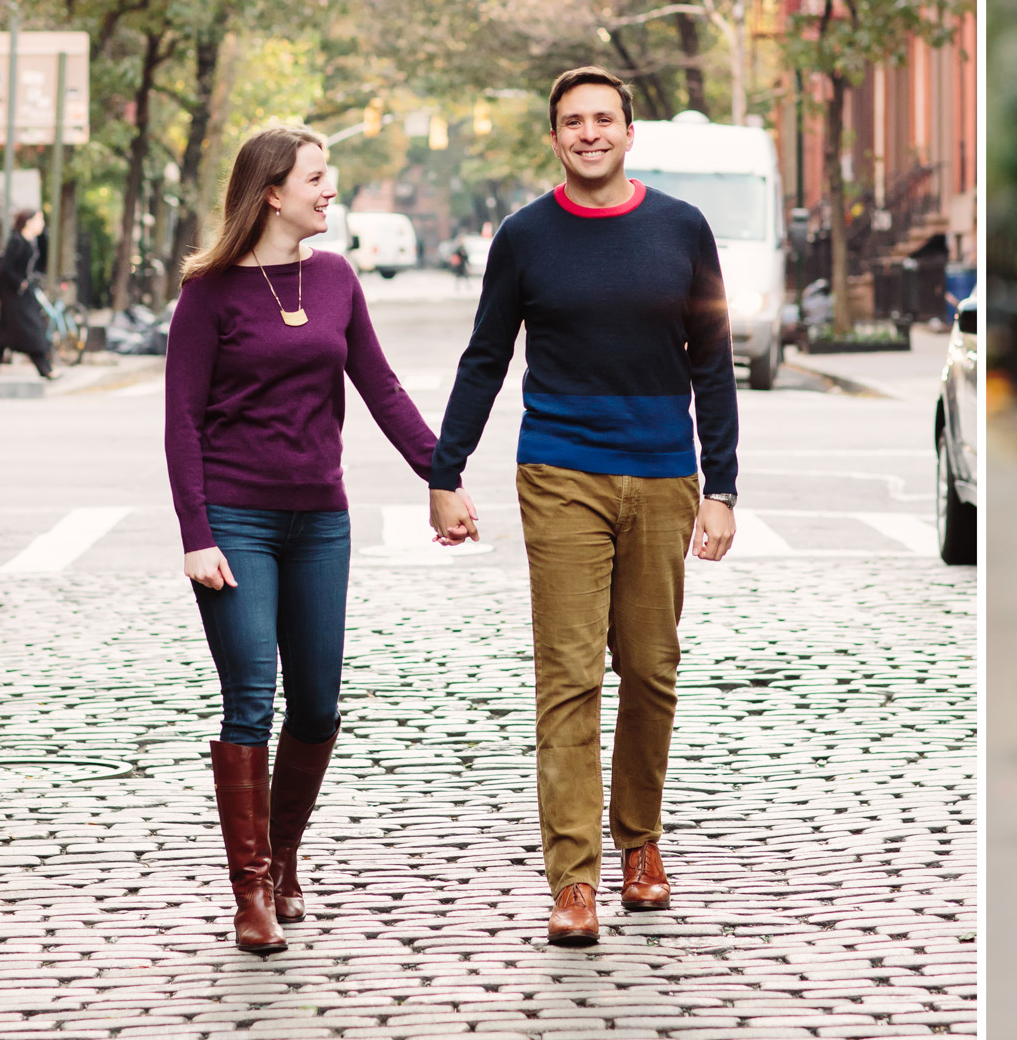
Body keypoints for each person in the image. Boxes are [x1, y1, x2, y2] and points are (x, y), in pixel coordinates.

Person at [426, 65, 739, 947]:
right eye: (573, 121)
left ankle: (640, 841)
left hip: (664, 472)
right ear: (555, 137)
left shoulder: (681, 228)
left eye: (605, 119)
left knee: (650, 668)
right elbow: (485, 357)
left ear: (630, 132)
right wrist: (445, 470)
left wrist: (721, 486)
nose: (590, 133)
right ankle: (574, 879)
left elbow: (711, 361)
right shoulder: (525, 238)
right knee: (567, 676)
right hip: (560, 470)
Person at [164, 125, 474, 955]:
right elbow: (181, 423)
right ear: (272, 192)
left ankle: (285, 851)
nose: (330, 189)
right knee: (250, 701)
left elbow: (380, 386)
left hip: (320, 520)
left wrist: (439, 475)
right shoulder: (210, 291)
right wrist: (197, 532)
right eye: (316, 176)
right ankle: (252, 889)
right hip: (236, 518)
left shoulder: (335, 279)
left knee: (320, 705)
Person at [0, 208, 56, 379]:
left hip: (23, 294)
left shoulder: (32, 241)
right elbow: (6, 268)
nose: (42, 224)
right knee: (31, 329)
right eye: (39, 220)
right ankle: (45, 369)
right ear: (28, 222)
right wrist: (20, 282)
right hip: (14, 295)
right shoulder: (17, 241)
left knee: (2, 335)